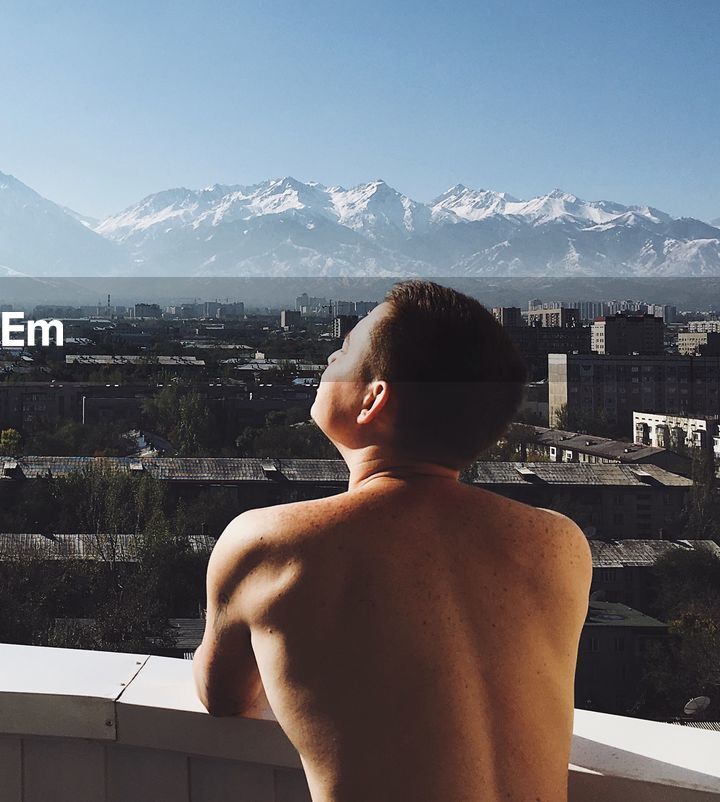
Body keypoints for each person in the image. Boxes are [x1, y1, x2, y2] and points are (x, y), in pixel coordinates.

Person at [193, 280, 592, 802]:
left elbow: (223, 695)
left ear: (373, 399)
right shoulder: (558, 545)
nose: (329, 356)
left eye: (343, 349)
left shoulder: (272, 546)